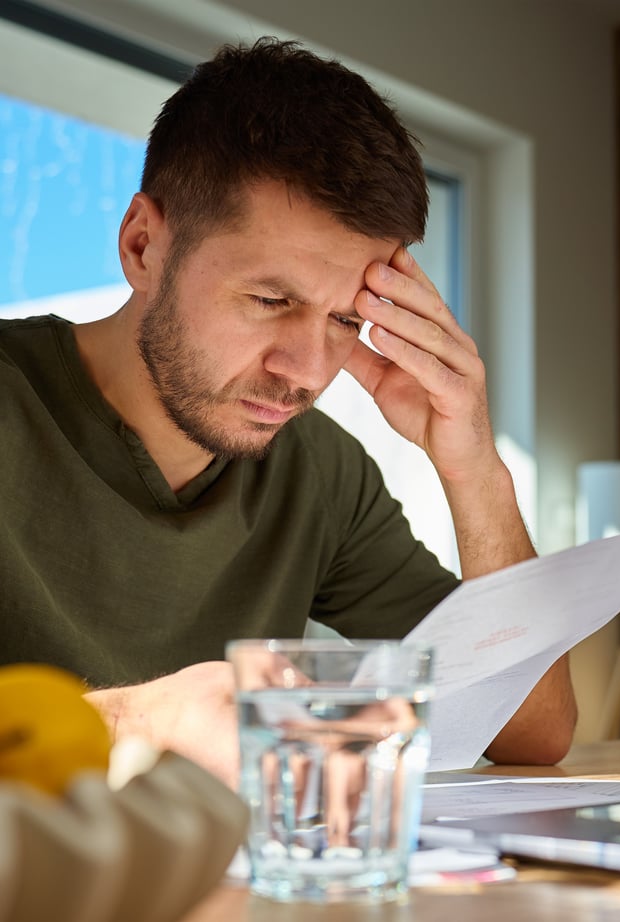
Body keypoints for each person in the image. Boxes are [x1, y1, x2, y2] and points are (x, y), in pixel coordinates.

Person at [0, 38, 576, 788]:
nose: (306, 373)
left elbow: (531, 728)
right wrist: (146, 721)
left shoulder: (321, 472)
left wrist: (472, 465)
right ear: (143, 247)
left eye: (344, 320)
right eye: (271, 301)